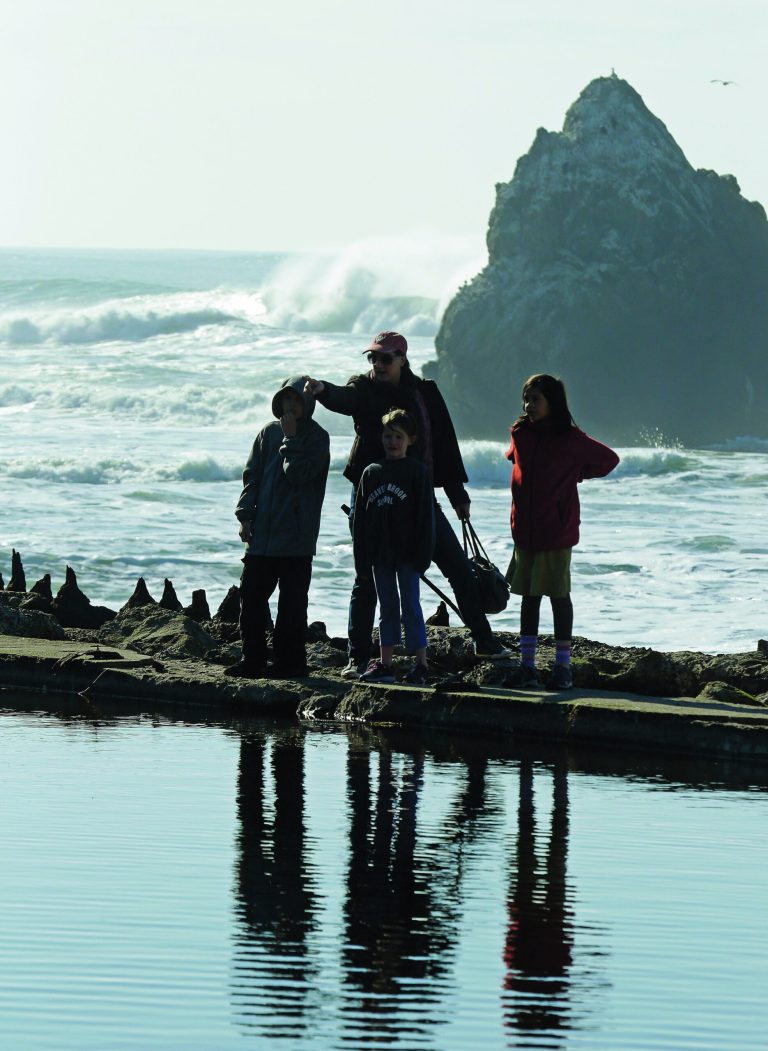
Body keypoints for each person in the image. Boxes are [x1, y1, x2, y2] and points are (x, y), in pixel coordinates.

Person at [304, 331, 511, 678]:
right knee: (366, 577)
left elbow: (443, 442)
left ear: (402, 358)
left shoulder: (424, 392)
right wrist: (323, 390)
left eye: (385, 358)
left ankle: (483, 639)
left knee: (458, 566)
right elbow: (345, 398)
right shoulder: (365, 389)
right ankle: (358, 656)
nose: (378, 365)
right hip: (375, 500)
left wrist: (457, 495)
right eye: (372, 358)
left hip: (418, 496)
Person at [505, 373, 619, 690]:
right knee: (529, 598)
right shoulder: (520, 433)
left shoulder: (570, 439)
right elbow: (514, 460)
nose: (529, 405)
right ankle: (527, 667)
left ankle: (562, 667)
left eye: (536, 400)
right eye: (526, 399)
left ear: (553, 403)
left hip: (555, 530)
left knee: (558, 596)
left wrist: (576, 473)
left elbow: (609, 459)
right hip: (525, 531)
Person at [226, 376, 330, 679]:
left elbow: (299, 475)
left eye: (296, 400)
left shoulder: (316, 437)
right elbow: (252, 478)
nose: (290, 406)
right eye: (286, 400)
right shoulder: (266, 434)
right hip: (263, 535)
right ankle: (253, 659)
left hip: (297, 536)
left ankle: (290, 663)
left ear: (308, 404)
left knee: (292, 605)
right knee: (252, 597)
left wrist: (292, 439)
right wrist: (245, 514)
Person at [353, 408, 435, 684]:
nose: (393, 442)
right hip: (380, 555)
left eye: (398, 436)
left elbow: (426, 517)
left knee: (411, 605)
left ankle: (421, 664)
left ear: (410, 439)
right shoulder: (371, 472)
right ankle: (385, 663)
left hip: (409, 555)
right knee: (387, 607)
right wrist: (361, 560)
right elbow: (360, 522)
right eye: (388, 436)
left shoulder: (417, 472)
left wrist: (424, 555)